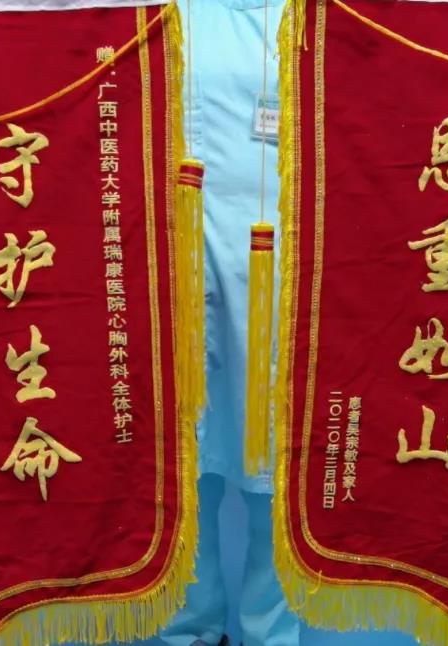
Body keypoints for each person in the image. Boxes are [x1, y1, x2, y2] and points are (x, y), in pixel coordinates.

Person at [159, 1, 298, 645]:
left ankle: (270, 633)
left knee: (275, 463)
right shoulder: (151, 14)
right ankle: (187, 629)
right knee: (178, 465)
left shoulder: (306, 20)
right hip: (164, 267)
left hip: (271, 266)